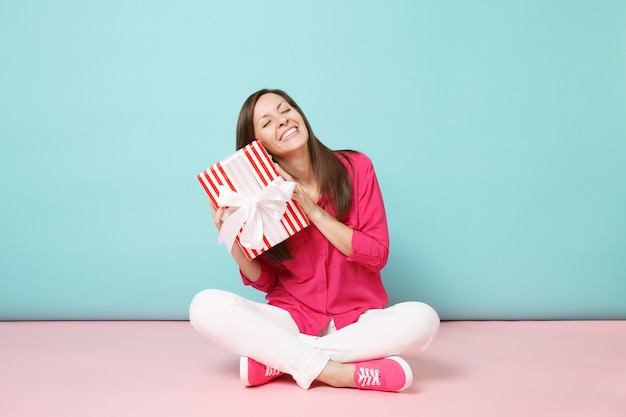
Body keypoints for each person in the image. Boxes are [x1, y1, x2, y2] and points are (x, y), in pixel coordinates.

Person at [189, 88, 440, 392]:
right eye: (267, 122)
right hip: (292, 317)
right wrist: (231, 240)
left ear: (299, 114)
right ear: (256, 146)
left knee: (423, 320)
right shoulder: (258, 198)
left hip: (357, 321)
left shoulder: (356, 168)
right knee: (204, 306)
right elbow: (267, 282)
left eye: (286, 109)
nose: (282, 121)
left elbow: (377, 255)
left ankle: (280, 360)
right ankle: (339, 373)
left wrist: (313, 212)